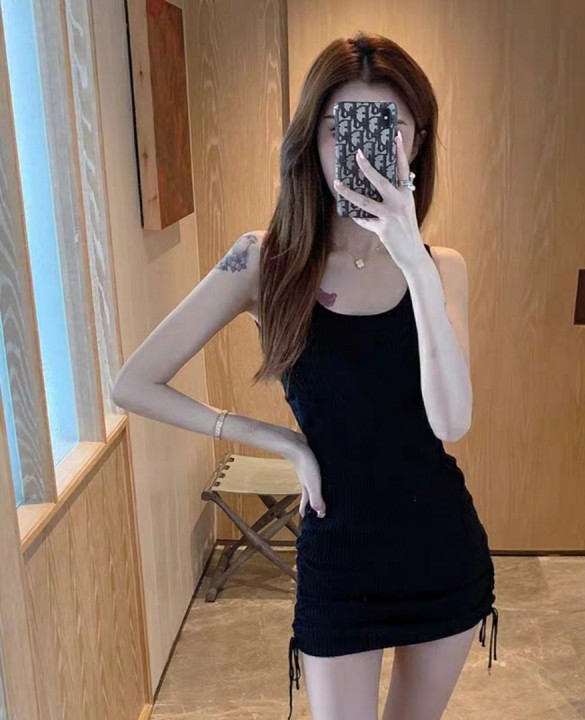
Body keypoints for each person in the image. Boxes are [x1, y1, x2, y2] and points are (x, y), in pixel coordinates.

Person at [112, 30, 497, 720]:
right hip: (338, 554)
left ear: (417, 141)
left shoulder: (443, 269)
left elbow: (452, 422)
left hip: (439, 547)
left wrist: (412, 260)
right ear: (311, 141)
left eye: (389, 127)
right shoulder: (263, 263)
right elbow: (133, 382)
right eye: (339, 129)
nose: (361, 149)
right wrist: (281, 442)